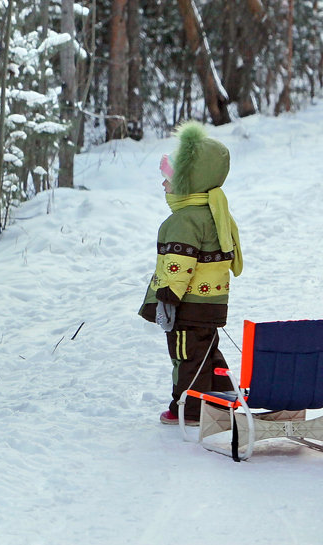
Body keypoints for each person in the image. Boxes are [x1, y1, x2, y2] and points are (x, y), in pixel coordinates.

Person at [139, 121, 242, 426]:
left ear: (188, 183)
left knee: (186, 357)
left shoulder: (184, 221)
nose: (164, 185)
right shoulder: (213, 212)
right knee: (205, 351)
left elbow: (179, 264)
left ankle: (191, 409)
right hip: (210, 304)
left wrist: (168, 297)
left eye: (169, 180)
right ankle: (224, 397)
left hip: (188, 306)